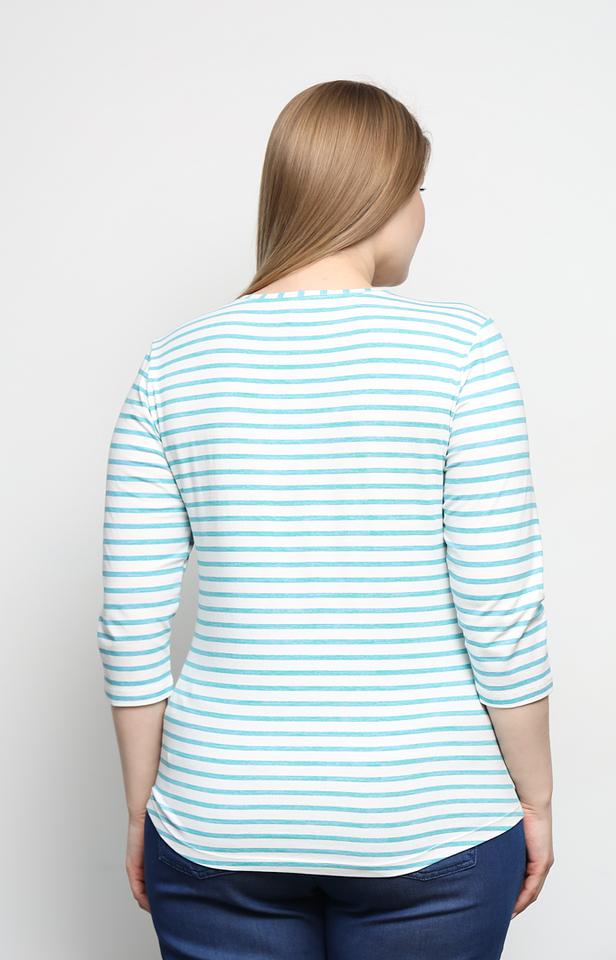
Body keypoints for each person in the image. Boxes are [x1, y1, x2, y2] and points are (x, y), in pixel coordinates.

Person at [97, 79, 554, 960]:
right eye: (419, 189)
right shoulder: (462, 351)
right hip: (431, 819)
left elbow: (131, 626)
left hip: (217, 820)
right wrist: (535, 797)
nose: (422, 213)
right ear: (383, 197)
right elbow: (501, 609)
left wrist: (141, 809)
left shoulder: (171, 366)